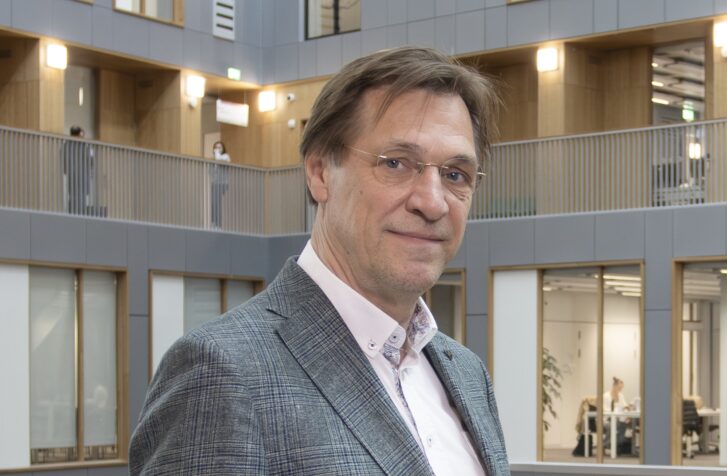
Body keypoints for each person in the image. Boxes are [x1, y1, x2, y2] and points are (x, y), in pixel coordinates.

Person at [129, 46, 509, 475]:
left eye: (455, 174)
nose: (432, 201)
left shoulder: (467, 375)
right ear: (320, 172)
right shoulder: (223, 373)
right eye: (397, 163)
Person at [61, 125, 95, 215]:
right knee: (79, 198)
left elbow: (64, 165)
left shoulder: (66, 146)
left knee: (74, 197)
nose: (82, 137)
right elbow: (92, 160)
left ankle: (73, 214)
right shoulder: (85, 146)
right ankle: (78, 214)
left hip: (73, 176)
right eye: (81, 135)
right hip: (81, 176)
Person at [603, 377, 632, 456]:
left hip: (619, 418)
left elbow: (625, 406)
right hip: (607, 419)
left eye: (621, 388)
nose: (620, 390)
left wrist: (627, 409)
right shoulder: (606, 396)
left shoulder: (621, 395)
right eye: (619, 388)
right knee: (612, 425)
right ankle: (605, 445)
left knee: (624, 424)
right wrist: (616, 411)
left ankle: (617, 445)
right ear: (614, 386)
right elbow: (604, 410)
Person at [210, 141, 230, 229]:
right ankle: (213, 223)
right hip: (215, 183)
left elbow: (219, 160)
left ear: (223, 149)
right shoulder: (213, 159)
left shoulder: (225, 156)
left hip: (222, 183)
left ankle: (218, 225)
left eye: (219, 147)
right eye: (216, 147)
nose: (217, 149)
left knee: (217, 203)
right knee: (213, 203)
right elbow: (211, 172)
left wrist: (216, 153)